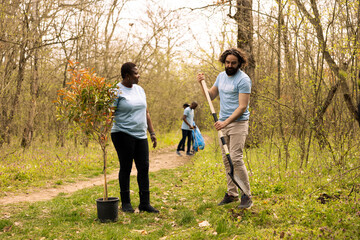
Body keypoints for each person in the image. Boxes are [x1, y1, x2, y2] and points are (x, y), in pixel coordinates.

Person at [196, 48, 252, 209]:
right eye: (227, 62)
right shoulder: (221, 77)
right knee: (226, 160)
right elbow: (210, 95)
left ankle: (246, 195)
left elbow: (242, 107)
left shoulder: (244, 80)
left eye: (233, 63)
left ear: (239, 63)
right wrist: (202, 83)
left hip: (238, 123)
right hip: (223, 123)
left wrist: (226, 122)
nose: (230, 65)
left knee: (235, 158)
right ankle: (232, 194)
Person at [111, 62, 159, 213]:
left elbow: (146, 112)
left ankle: (145, 203)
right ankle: (126, 203)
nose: (139, 76)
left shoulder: (140, 90)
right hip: (122, 133)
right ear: (127, 76)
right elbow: (109, 113)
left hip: (140, 134)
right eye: (136, 73)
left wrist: (152, 133)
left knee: (143, 168)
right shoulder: (116, 91)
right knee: (126, 168)